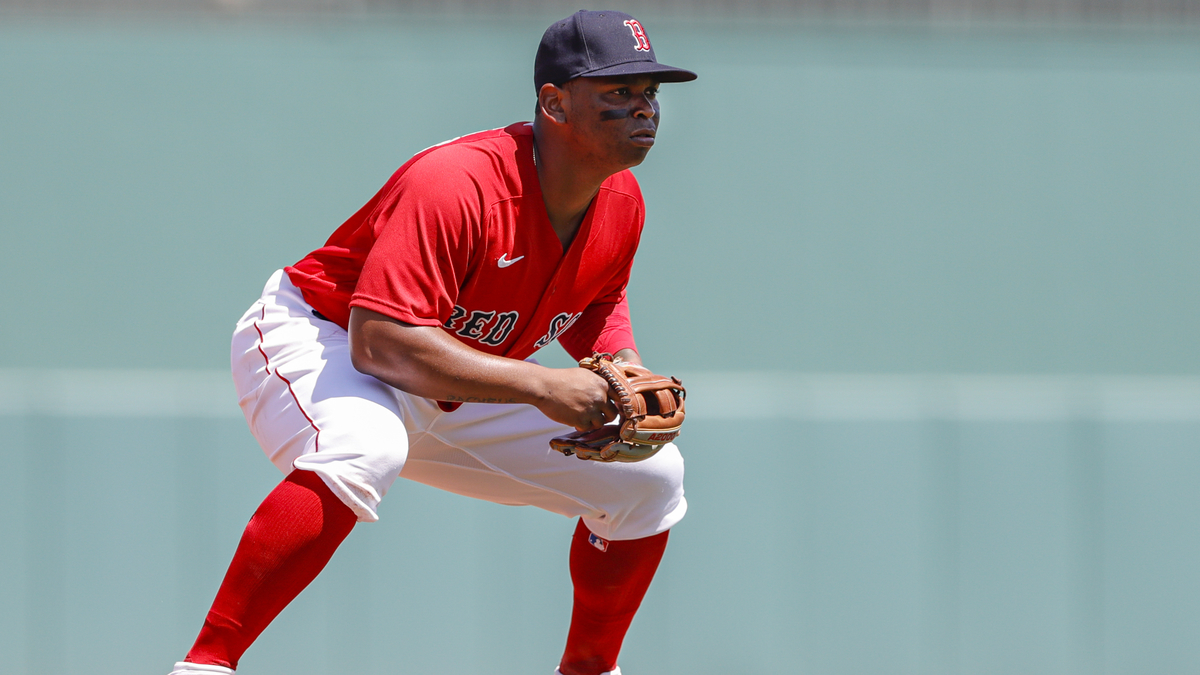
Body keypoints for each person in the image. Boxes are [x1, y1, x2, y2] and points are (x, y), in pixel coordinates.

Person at [168, 10, 696, 675]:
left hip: (458, 376)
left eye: (649, 91)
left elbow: (595, 297)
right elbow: (380, 342)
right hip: (322, 335)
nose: (643, 107)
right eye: (617, 92)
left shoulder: (621, 200)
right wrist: (544, 385)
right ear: (554, 102)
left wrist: (623, 367)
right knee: (367, 445)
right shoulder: (458, 182)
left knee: (650, 478)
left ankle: (589, 669)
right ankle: (206, 664)